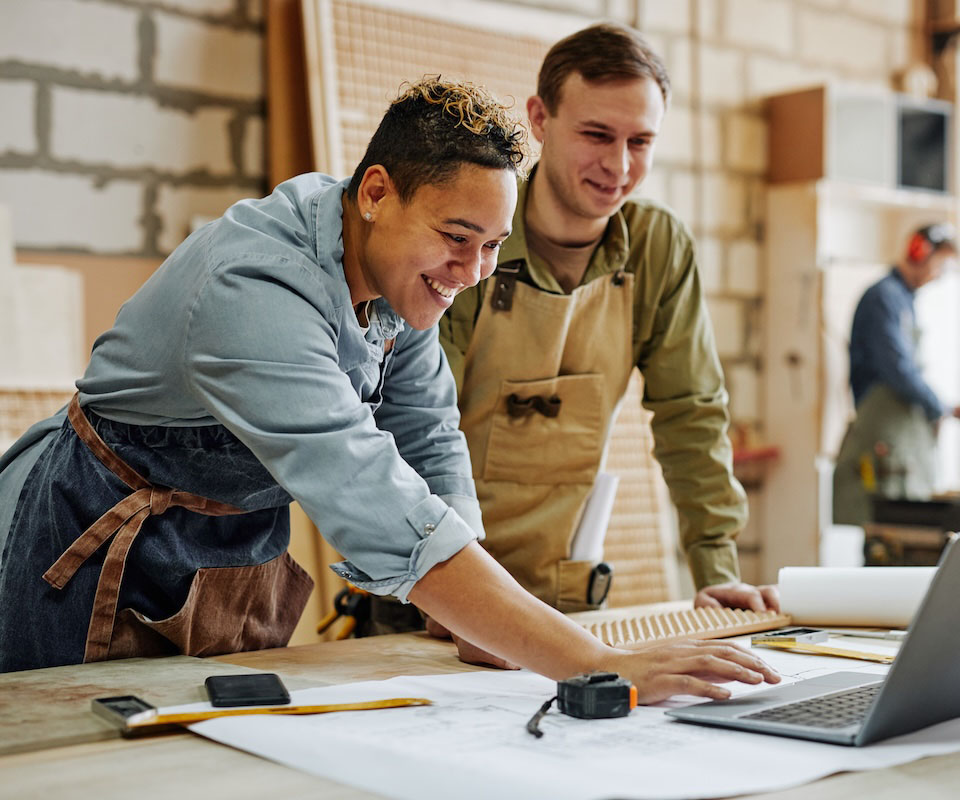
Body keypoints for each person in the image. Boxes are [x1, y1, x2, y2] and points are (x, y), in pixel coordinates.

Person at [0, 76, 778, 701]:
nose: (472, 275)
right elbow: (372, 495)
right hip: (101, 549)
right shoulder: (256, 288)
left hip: (225, 557)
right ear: (376, 192)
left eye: (493, 247)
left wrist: (475, 619)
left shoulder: (393, 278)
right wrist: (595, 662)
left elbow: (430, 433)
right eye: (455, 239)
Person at [430, 24, 777, 653]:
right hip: (432, 600)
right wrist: (448, 584)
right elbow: (419, 424)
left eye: (639, 142)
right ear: (539, 118)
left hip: (567, 605)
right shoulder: (472, 234)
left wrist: (717, 571)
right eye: (596, 135)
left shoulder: (657, 248)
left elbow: (690, 414)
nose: (618, 167)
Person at [833, 223, 960, 527]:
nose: (939, 275)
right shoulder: (884, 298)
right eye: (939, 264)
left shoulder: (904, 301)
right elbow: (898, 368)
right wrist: (940, 407)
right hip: (881, 439)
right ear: (919, 253)